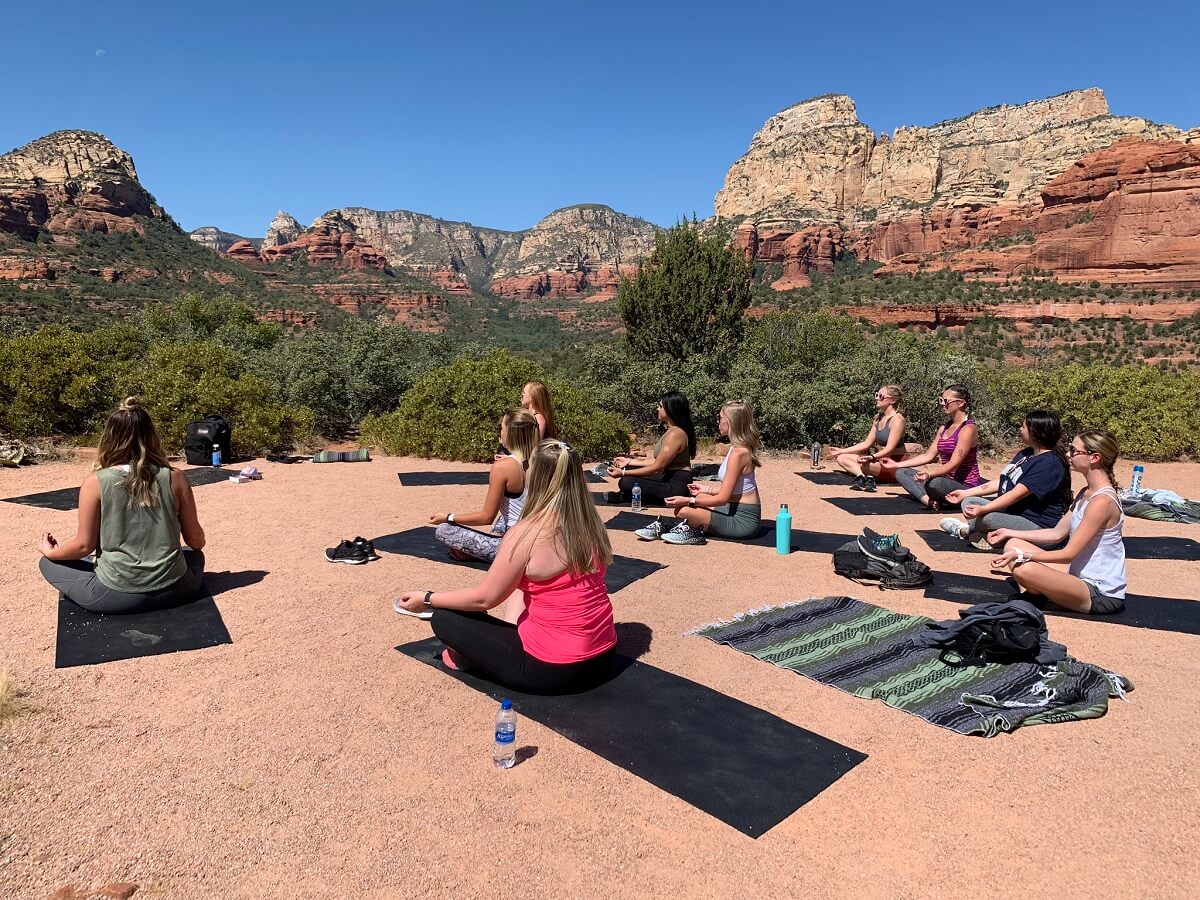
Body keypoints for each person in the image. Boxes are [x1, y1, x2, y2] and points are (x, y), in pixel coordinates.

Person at [395, 440, 617, 694]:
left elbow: (484, 600)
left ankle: (474, 660)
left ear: (536, 476)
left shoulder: (527, 533)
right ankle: (499, 646)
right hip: (602, 657)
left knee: (445, 618)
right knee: (520, 585)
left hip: (553, 670)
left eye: (528, 465)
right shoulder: (591, 525)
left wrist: (427, 598)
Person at [37, 397, 206, 613]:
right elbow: (196, 542)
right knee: (193, 556)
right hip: (176, 590)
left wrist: (51, 552)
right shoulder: (176, 477)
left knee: (47, 563)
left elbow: (84, 547)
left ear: (109, 438)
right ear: (151, 436)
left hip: (117, 596)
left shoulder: (95, 482)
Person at [990, 431, 1127, 614]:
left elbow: (1068, 554)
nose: (1068, 455)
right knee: (1014, 545)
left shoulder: (1102, 502)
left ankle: (1046, 597)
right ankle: (1050, 595)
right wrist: (1009, 532)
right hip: (1077, 575)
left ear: (1094, 458)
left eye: (1074, 450)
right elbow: (1056, 533)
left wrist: (1025, 556)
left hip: (1100, 593)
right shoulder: (1086, 492)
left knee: (1024, 568)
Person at [940, 410, 1071, 550]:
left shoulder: (1049, 464)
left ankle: (965, 531)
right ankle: (993, 536)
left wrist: (984, 509)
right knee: (969, 502)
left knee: (988, 518)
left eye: (1023, 426)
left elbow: (1016, 494)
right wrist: (965, 493)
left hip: (1037, 525)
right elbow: (1003, 482)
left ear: (1035, 432)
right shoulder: (1026, 453)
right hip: (1013, 513)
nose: (1020, 429)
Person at [637, 399, 763, 546]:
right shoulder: (736, 448)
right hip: (732, 507)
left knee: (683, 510)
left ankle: (688, 531)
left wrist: (689, 500)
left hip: (743, 520)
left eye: (720, 418)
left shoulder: (739, 453)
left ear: (731, 421)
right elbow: (734, 489)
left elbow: (722, 498)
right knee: (700, 497)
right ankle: (686, 527)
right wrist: (707, 489)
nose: (718, 422)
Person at [433, 409, 540, 562]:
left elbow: (486, 517)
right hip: (540, 539)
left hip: (516, 546)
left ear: (509, 432)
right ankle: (495, 537)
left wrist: (448, 517)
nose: (500, 432)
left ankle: (487, 552)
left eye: (502, 428)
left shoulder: (503, 467)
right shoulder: (543, 461)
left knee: (444, 530)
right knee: (504, 516)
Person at [884, 384, 982, 510]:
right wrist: (896, 465)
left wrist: (929, 475)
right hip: (946, 480)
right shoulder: (944, 429)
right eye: (941, 400)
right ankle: (928, 500)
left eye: (946, 401)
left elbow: (954, 464)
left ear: (961, 403)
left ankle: (938, 497)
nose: (942, 404)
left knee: (935, 483)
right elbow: (928, 456)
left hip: (965, 486)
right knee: (902, 473)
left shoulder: (968, 429)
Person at [605, 391, 696, 506]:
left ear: (671, 409)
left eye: (660, 406)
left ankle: (630, 496)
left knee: (626, 481)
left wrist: (623, 472)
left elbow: (657, 467)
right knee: (631, 471)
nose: (657, 409)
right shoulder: (672, 431)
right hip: (667, 477)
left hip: (675, 485)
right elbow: (658, 462)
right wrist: (628, 462)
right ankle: (631, 495)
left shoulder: (675, 434)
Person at [826, 385, 911, 492]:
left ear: (892, 400)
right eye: (876, 395)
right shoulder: (878, 419)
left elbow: (889, 449)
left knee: (864, 463)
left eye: (881, 396)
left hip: (894, 465)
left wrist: (871, 457)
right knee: (842, 457)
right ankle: (861, 476)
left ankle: (866, 475)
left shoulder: (897, 420)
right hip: (879, 462)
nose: (876, 398)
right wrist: (841, 450)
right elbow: (866, 443)